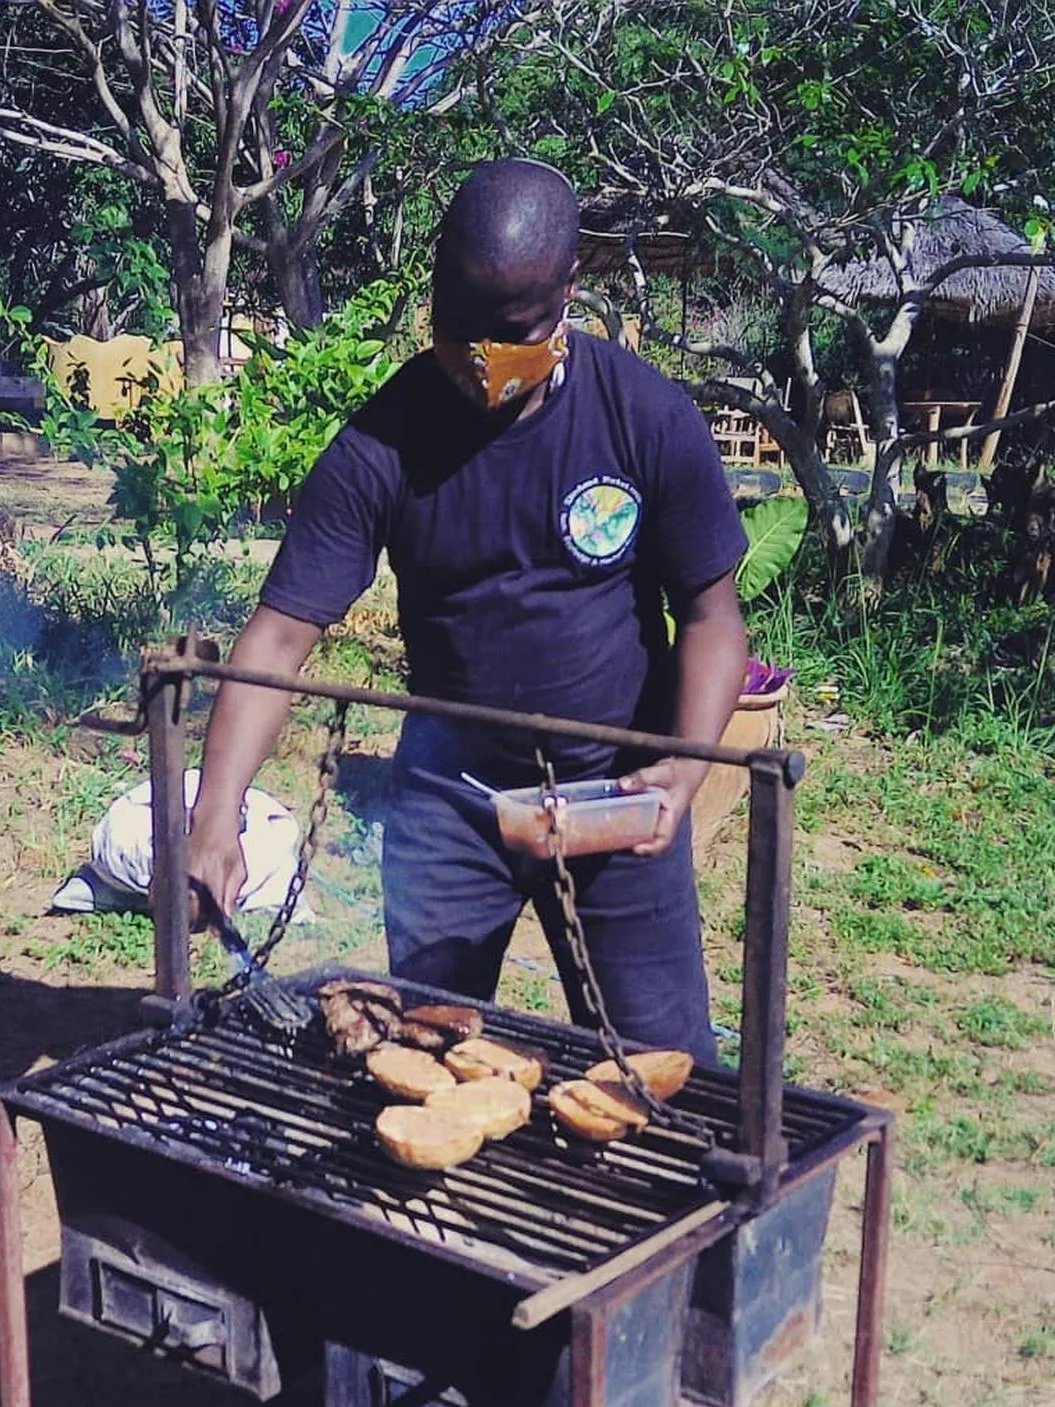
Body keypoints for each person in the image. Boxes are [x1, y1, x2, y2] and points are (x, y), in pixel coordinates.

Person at [186, 158, 748, 1062]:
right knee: (425, 1054)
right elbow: (279, 639)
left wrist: (680, 773)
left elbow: (713, 618)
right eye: (458, 329)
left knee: (662, 1074)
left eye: (513, 332)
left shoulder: (646, 417)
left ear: (571, 290)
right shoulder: (383, 441)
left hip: (613, 795)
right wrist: (215, 821)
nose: (481, 362)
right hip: (452, 805)